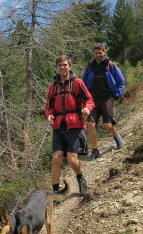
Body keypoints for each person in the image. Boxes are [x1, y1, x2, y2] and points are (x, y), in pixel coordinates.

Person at [45, 55, 94, 195]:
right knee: (56, 158)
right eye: (60, 65)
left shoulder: (77, 82)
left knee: (72, 160)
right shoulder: (53, 87)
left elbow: (89, 99)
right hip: (59, 127)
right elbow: (49, 106)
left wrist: (87, 108)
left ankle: (80, 178)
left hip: (75, 125)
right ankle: (55, 192)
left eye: (65, 65)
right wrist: (49, 115)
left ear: (70, 66)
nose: (62, 67)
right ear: (57, 67)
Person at [81, 43, 126, 161]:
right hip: (93, 100)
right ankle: (95, 151)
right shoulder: (90, 66)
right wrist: (84, 98)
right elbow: (84, 83)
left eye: (100, 53)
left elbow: (121, 82)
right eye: (96, 53)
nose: (98, 55)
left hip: (107, 98)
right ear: (94, 54)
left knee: (107, 125)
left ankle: (116, 137)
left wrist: (116, 95)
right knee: (90, 124)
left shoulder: (111, 65)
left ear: (104, 52)